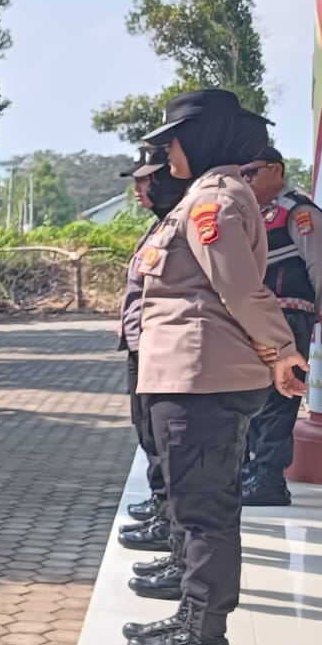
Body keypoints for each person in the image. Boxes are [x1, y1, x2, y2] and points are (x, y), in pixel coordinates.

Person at [125, 88, 308, 645]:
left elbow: (239, 288)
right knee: (194, 501)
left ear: (201, 139)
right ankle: (193, 613)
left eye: (172, 140)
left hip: (202, 376)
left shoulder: (215, 200)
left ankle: (203, 630)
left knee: (205, 508)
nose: (166, 153)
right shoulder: (210, 196)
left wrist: (282, 351)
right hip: (187, 374)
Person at [240, 145, 322, 506]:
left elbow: (321, 266)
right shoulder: (257, 213)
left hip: (289, 317)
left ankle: (268, 480)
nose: (246, 179)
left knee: (281, 398)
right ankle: (253, 471)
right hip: (259, 319)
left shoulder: (298, 210)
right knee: (255, 395)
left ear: (276, 170)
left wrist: (316, 307)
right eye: (242, 173)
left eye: (252, 171)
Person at [115, 146, 188, 597]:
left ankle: (178, 544)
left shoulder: (186, 222)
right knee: (150, 438)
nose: (140, 188)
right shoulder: (161, 224)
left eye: (147, 179)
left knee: (170, 451)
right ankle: (167, 522)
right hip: (145, 350)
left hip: (164, 353)